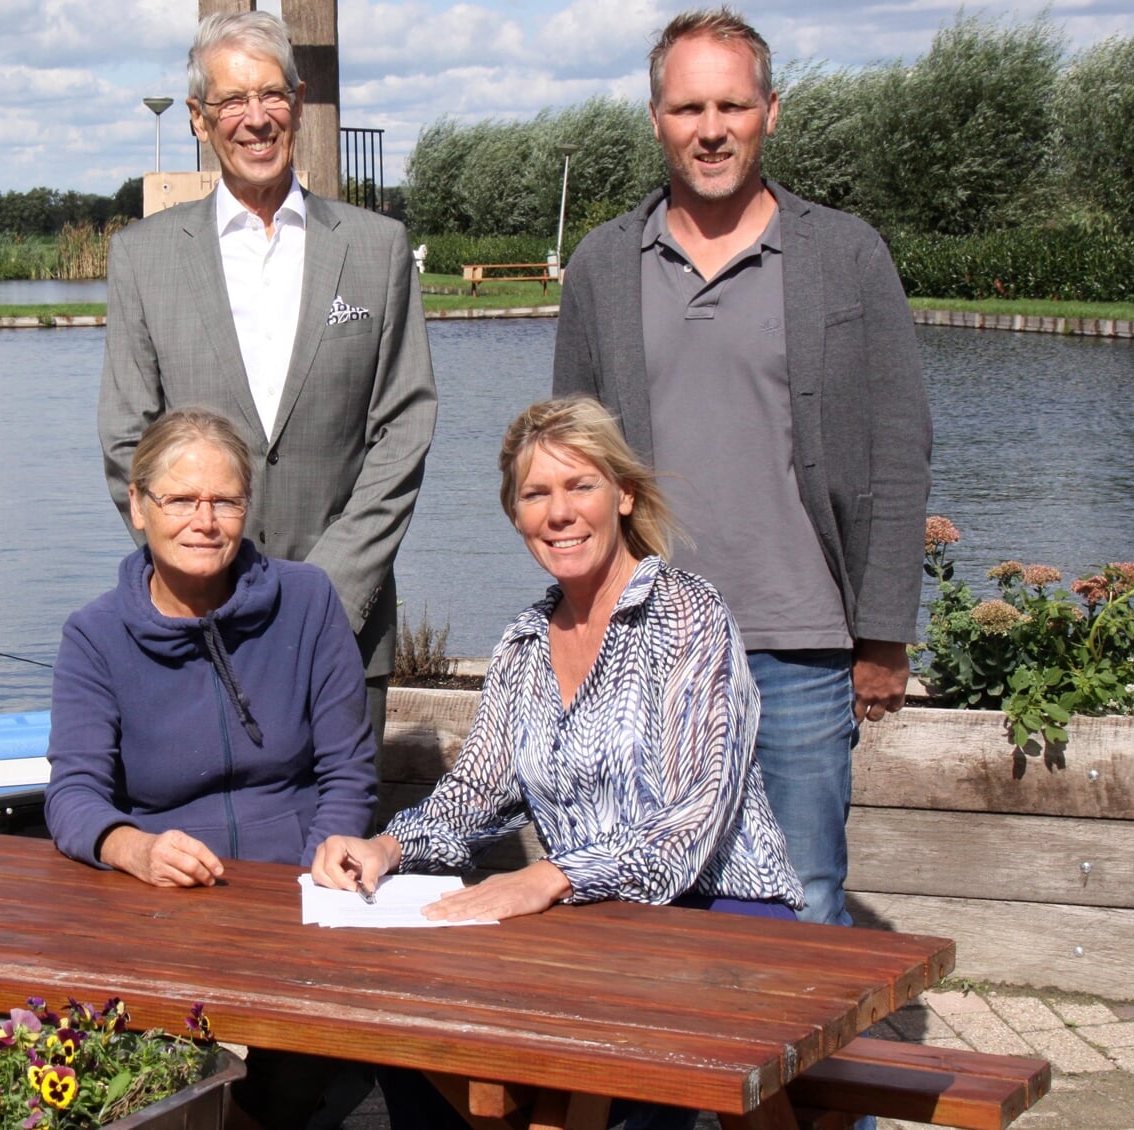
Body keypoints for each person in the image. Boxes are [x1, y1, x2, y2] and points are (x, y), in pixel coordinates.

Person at [310, 396, 802, 1130]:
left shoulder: (690, 615)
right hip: (595, 925)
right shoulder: (523, 646)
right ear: (516, 515)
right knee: (407, 1019)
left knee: (592, 1074)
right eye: (536, 494)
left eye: (581, 486)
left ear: (624, 495)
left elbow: (694, 821)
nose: (559, 512)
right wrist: (384, 846)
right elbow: (474, 791)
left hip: (720, 909)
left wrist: (550, 876)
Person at [551, 6, 932, 929]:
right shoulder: (605, 265)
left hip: (799, 644)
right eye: (687, 108)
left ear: (770, 111)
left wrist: (882, 632)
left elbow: (900, 440)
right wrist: (578, 621)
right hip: (649, 647)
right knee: (653, 905)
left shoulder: (845, 255)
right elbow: (569, 461)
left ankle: (807, 1079)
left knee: (802, 905)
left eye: (731, 105)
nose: (710, 129)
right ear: (656, 119)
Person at [98, 11, 436, 752]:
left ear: (299, 102)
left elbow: (404, 427)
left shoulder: (377, 250)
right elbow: (130, 437)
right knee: (205, 856)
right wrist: (206, 575)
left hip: (345, 627)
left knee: (339, 857)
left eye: (271, 95)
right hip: (194, 622)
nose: (255, 119)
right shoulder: (143, 257)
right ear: (198, 119)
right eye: (230, 102)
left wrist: (326, 594)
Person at [46, 409, 375, 1130]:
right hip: (163, 899)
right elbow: (72, 794)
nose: (205, 520)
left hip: (294, 893)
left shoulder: (308, 600)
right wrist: (133, 849)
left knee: (290, 1072)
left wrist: (325, 850)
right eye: (181, 500)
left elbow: (348, 766)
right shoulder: (95, 636)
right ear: (138, 506)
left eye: (225, 501)